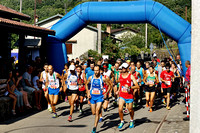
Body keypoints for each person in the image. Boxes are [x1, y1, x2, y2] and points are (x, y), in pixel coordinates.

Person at [85, 65, 111, 133]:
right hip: (92, 97)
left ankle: (94, 127)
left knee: (96, 112)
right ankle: (99, 111)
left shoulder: (103, 78)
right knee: (93, 113)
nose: (96, 72)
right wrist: (88, 92)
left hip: (100, 97)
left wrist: (106, 93)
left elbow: (109, 85)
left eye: (97, 70)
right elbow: (86, 84)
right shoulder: (91, 78)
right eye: (95, 70)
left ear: (100, 71)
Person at [116, 63, 139, 129]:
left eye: (124, 68)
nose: (123, 69)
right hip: (122, 95)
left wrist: (129, 87)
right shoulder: (120, 75)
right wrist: (118, 90)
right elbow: (121, 83)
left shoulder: (131, 76)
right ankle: (122, 121)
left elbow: (137, 86)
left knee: (130, 109)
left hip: (129, 96)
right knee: (120, 109)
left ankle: (131, 120)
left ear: (127, 69)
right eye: (122, 68)